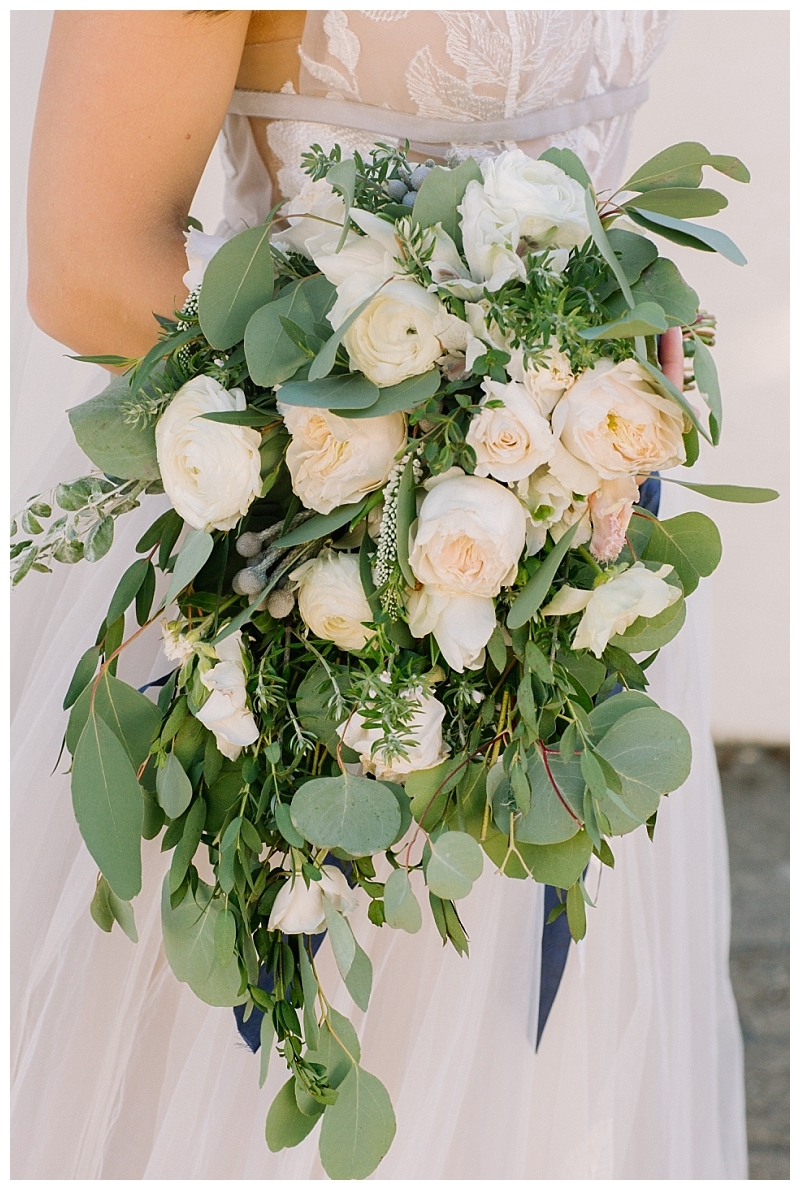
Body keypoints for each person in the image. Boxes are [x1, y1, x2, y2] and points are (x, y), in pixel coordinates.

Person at [14, 10, 747, 1178]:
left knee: (533, 1083)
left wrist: (578, 406)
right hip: (298, 568)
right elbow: (88, 266)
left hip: (577, 553)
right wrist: (396, 468)